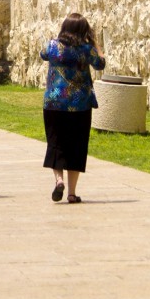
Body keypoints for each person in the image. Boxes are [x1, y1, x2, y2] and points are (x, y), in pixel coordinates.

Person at [40, 12, 105, 203]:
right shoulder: (86, 49)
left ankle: (58, 180)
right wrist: (95, 43)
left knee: (56, 143)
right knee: (77, 146)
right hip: (79, 105)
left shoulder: (53, 46)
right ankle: (72, 193)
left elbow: (42, 54)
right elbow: (100, 64)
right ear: (83, 30)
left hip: (53, 102)